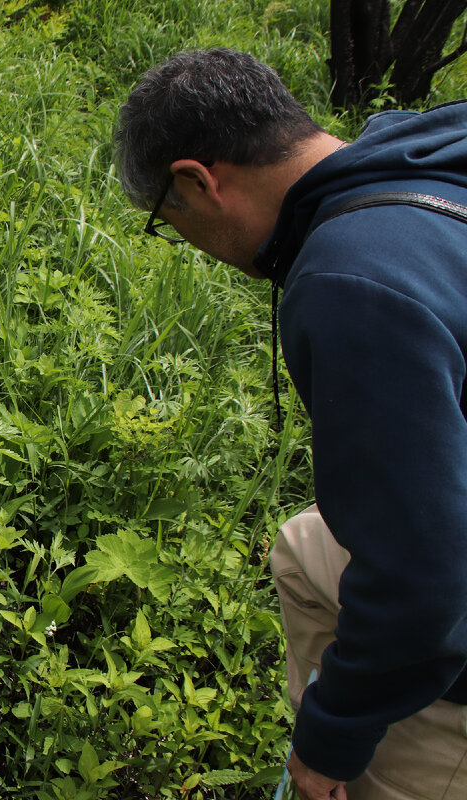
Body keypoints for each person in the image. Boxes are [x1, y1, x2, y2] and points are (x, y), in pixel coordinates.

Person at [113, 49, 467, 800]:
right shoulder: (427, 164)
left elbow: (428, 583)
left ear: (196, 182)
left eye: (167, 221)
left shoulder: (352, 281)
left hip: (451, 620)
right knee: (306, 546)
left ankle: (363, 755)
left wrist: (331, 738)